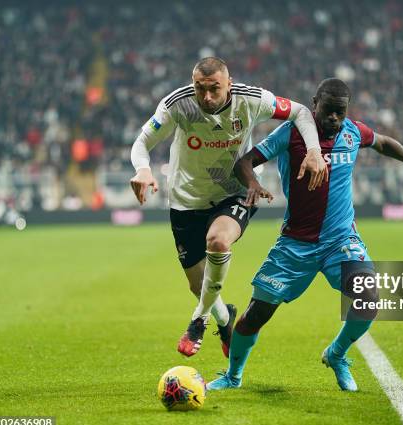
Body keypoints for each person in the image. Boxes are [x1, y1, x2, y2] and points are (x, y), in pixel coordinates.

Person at [206, 78, 403, 392]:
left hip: (340, 241)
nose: (334, 119)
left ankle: (337, 354)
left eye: (340, 113)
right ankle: (233, 376)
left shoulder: (353, 131)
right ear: (314, 104)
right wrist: (252, 184)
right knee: (254, 316)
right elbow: (245, 162)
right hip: (295, 244)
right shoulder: (290, 133)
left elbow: (382, 142)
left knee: (368, 299)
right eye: (328, 111)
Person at [129, 57, 328, 357]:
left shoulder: (252, 100)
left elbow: (300, 111)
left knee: (219, 241)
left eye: (214, 89)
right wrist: (143, 168)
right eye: (200, 88)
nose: (206, 97)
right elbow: (142, 143)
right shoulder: (177, 105)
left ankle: (199, 320)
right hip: (186, 200)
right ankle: (224, 320)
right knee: (200, 287)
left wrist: (314, 150)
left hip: (235, 191)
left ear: (229, 85)